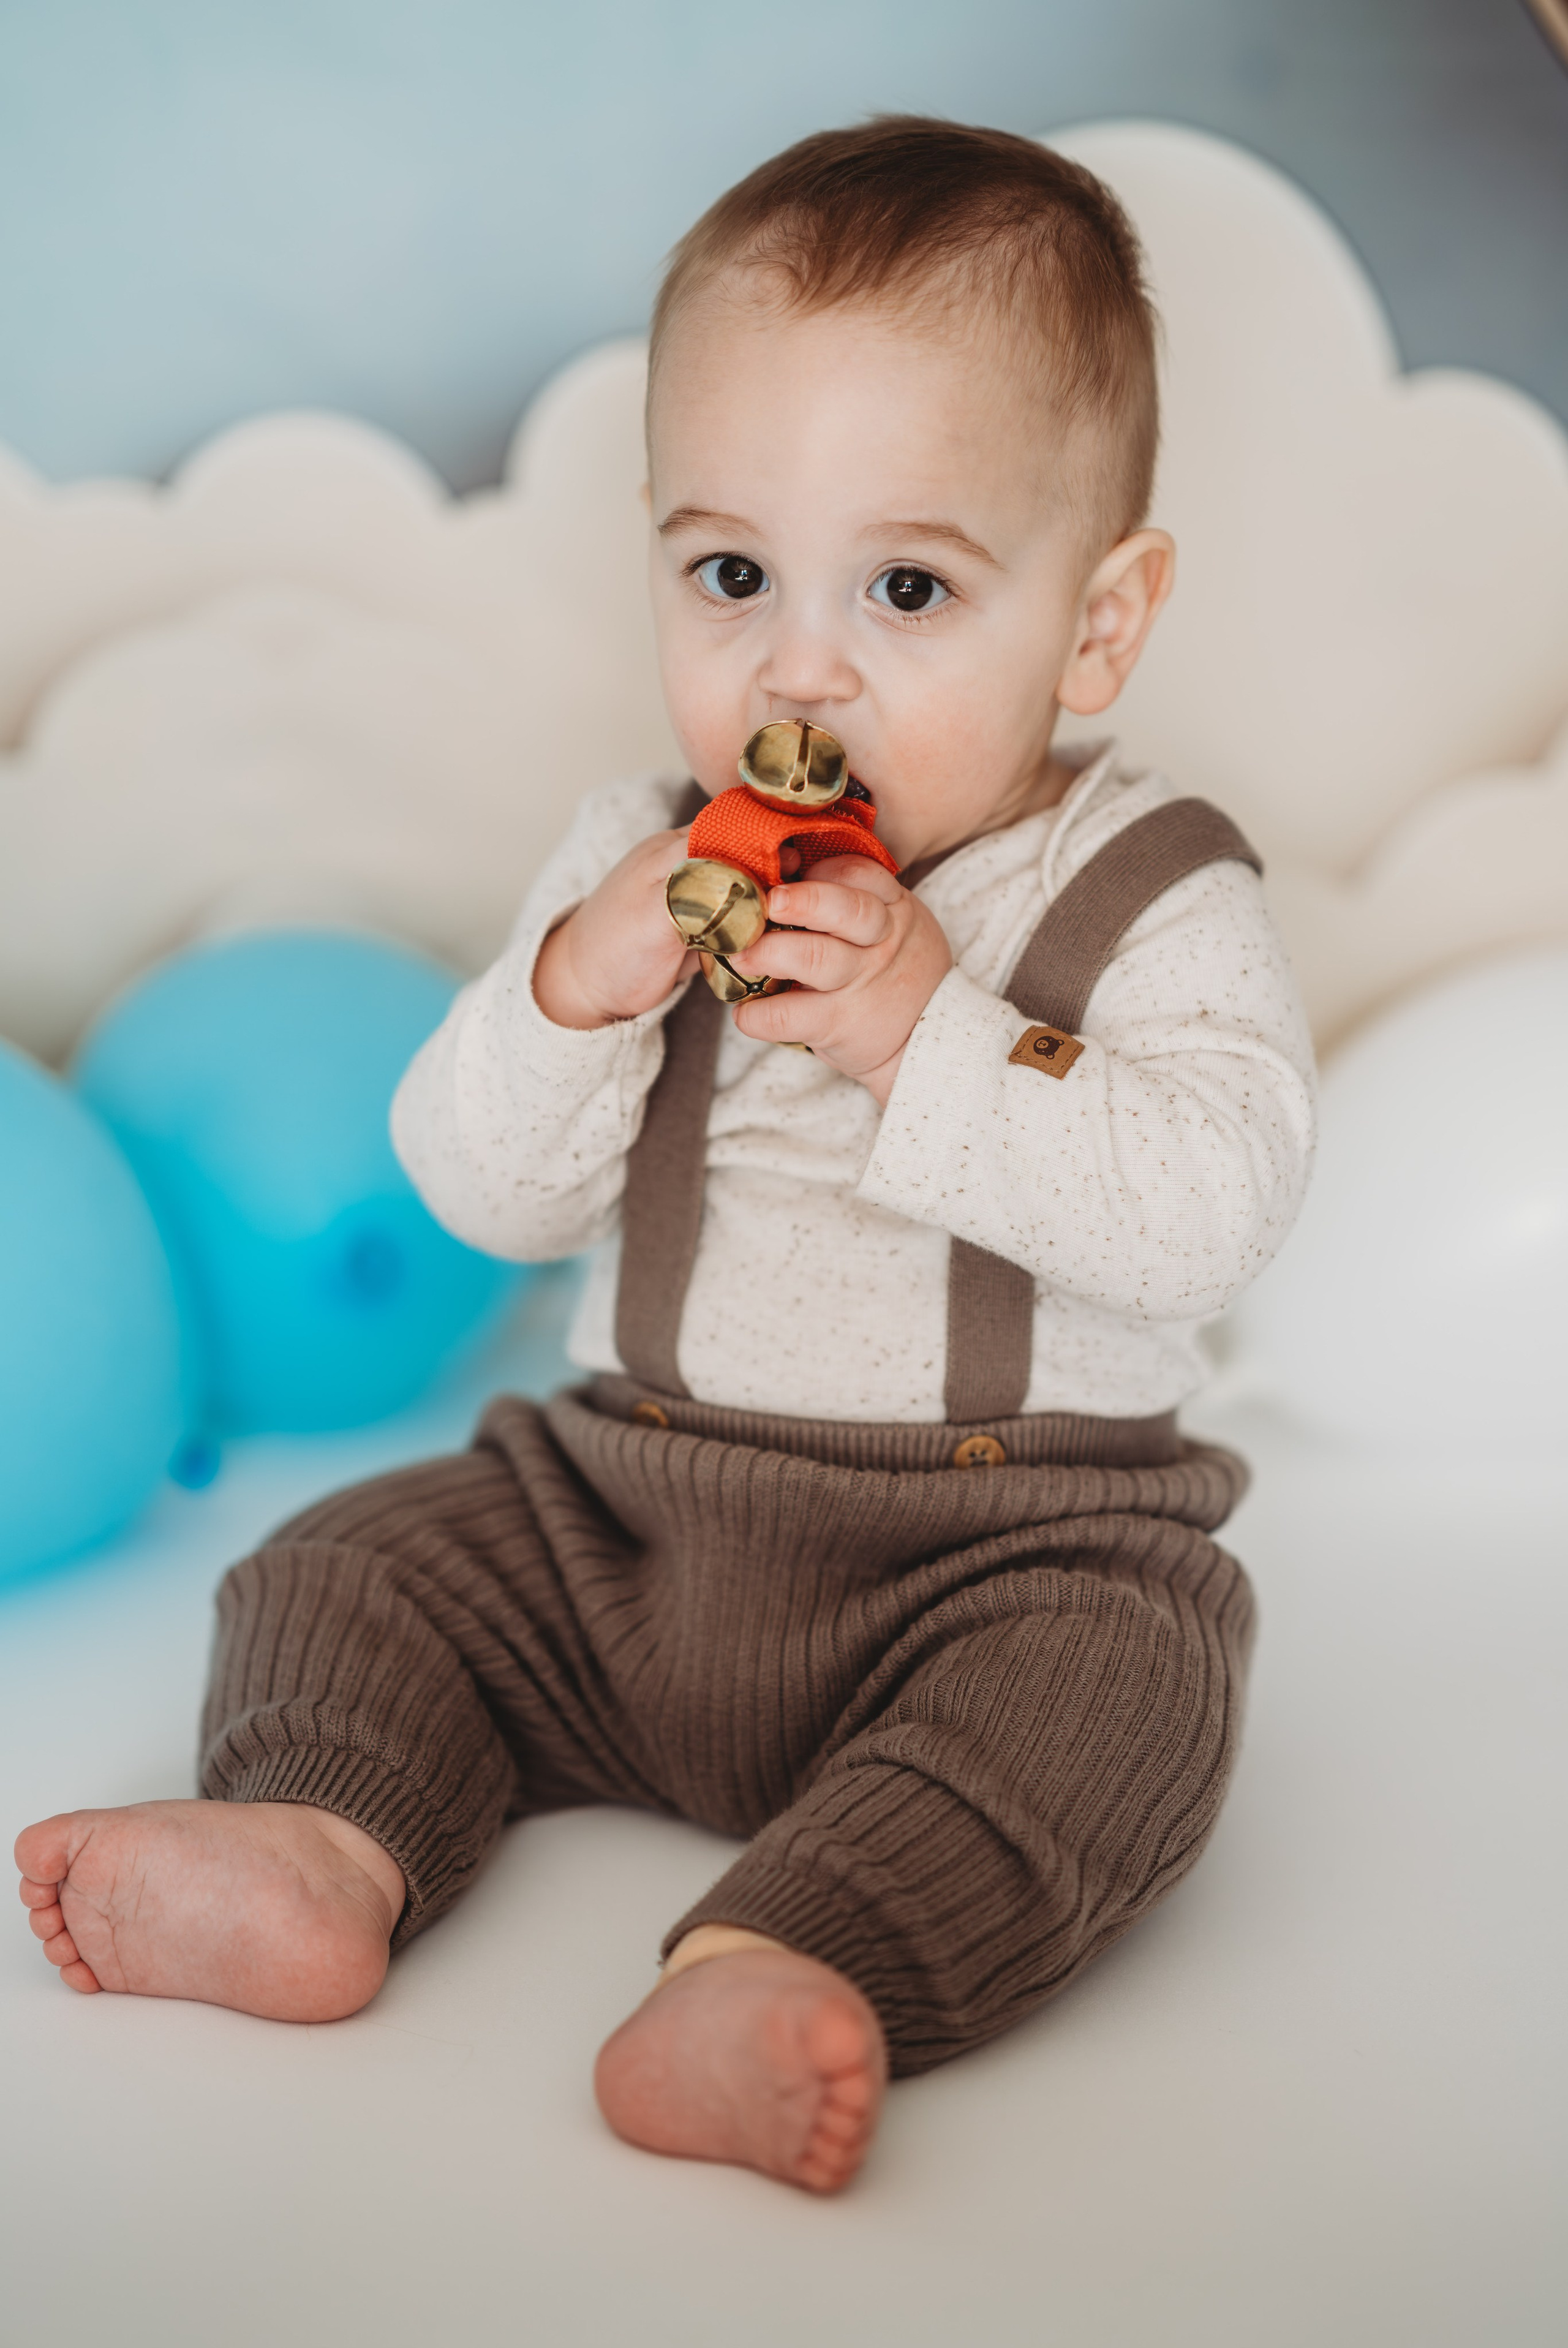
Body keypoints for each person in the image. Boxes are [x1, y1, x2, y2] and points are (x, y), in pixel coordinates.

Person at [15, 118, 1315, 2197]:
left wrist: (920, 1030)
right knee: (346, 1565)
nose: (798, 671)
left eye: (907, 589)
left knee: (1122, 1706)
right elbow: (477, 1193)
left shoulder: (1147, 890)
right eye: (730, 577)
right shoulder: (637, 862)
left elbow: (1207, 1208)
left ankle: (774, 1960)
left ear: (1095, 627)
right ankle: (319, 1840)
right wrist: (569, 988)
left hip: (1002, 1550)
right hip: (626, 1512)